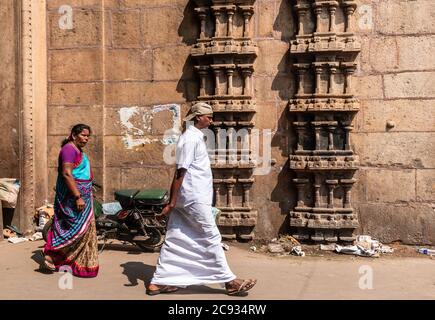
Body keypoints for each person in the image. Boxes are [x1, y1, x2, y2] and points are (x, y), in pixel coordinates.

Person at [146, 102, 257, 296]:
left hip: (190, 197)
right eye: (209, 117)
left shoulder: (194, 137)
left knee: (177, 237)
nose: (211, 120)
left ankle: (160, 281)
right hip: (193, 198)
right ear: (198, 117)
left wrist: (174, 202)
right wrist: (171, 203)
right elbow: (180, 172)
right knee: (211, 236)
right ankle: (229, 282)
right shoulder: (190, 139)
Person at [42, 124, 99, 278]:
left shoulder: (78, 150)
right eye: (83, 135)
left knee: (83, 230)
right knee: (71, 228)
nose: (86, 139)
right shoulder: (68, 149)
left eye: (88, 136)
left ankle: (74, 261)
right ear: (74, 135)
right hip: (73, 199)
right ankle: (51, 254)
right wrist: (78, 196)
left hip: (82, 198)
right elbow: (67, 174)